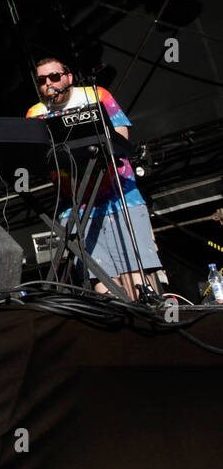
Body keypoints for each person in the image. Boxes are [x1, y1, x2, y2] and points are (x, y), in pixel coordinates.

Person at [25, 57, 163, 299]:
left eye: (54, 77)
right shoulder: (36, 113)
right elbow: (37, 156)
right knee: (99, 279)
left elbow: (121, 132)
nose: (48, 83)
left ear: (68, 77)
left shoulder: (97, 95)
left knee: (136, 274)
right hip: (76, 205)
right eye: (41, 80)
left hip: (119, 197)